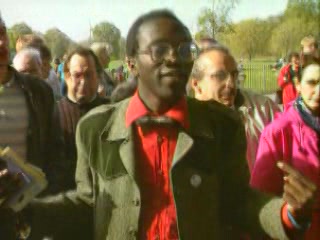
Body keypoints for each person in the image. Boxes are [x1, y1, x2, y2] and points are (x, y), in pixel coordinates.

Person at [0, 9, 305, 240]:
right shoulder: (96, 130)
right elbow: (87, 206)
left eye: (185, 50)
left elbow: (239, 202)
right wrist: (25, 213)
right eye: (159, 50)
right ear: (131, 62)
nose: (174, 59)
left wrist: (286, 214)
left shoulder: (221, 127)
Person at [0, 14, 66, 239]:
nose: (0, 42)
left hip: (32, 215)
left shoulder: (39, 92)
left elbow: (56, 150)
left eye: (1, 33)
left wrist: (45, 196)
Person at [251, 63, 320, 239]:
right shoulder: (277, 132)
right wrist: (292, 214)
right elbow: (260, 204)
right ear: (298, 85)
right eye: (312, 82)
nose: (319, 90)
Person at [190, 44, 280, 171]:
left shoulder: (264, 110)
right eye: (220, 76)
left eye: (234, 75)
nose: (231, 84)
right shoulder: (184, 125)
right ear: (196, 85)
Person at [55, 47, 109, 190]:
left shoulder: (111, 112)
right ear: (66, 76)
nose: (83, 82)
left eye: (89, 75)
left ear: (98, 75)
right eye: (77, 75)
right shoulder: (53, 114)